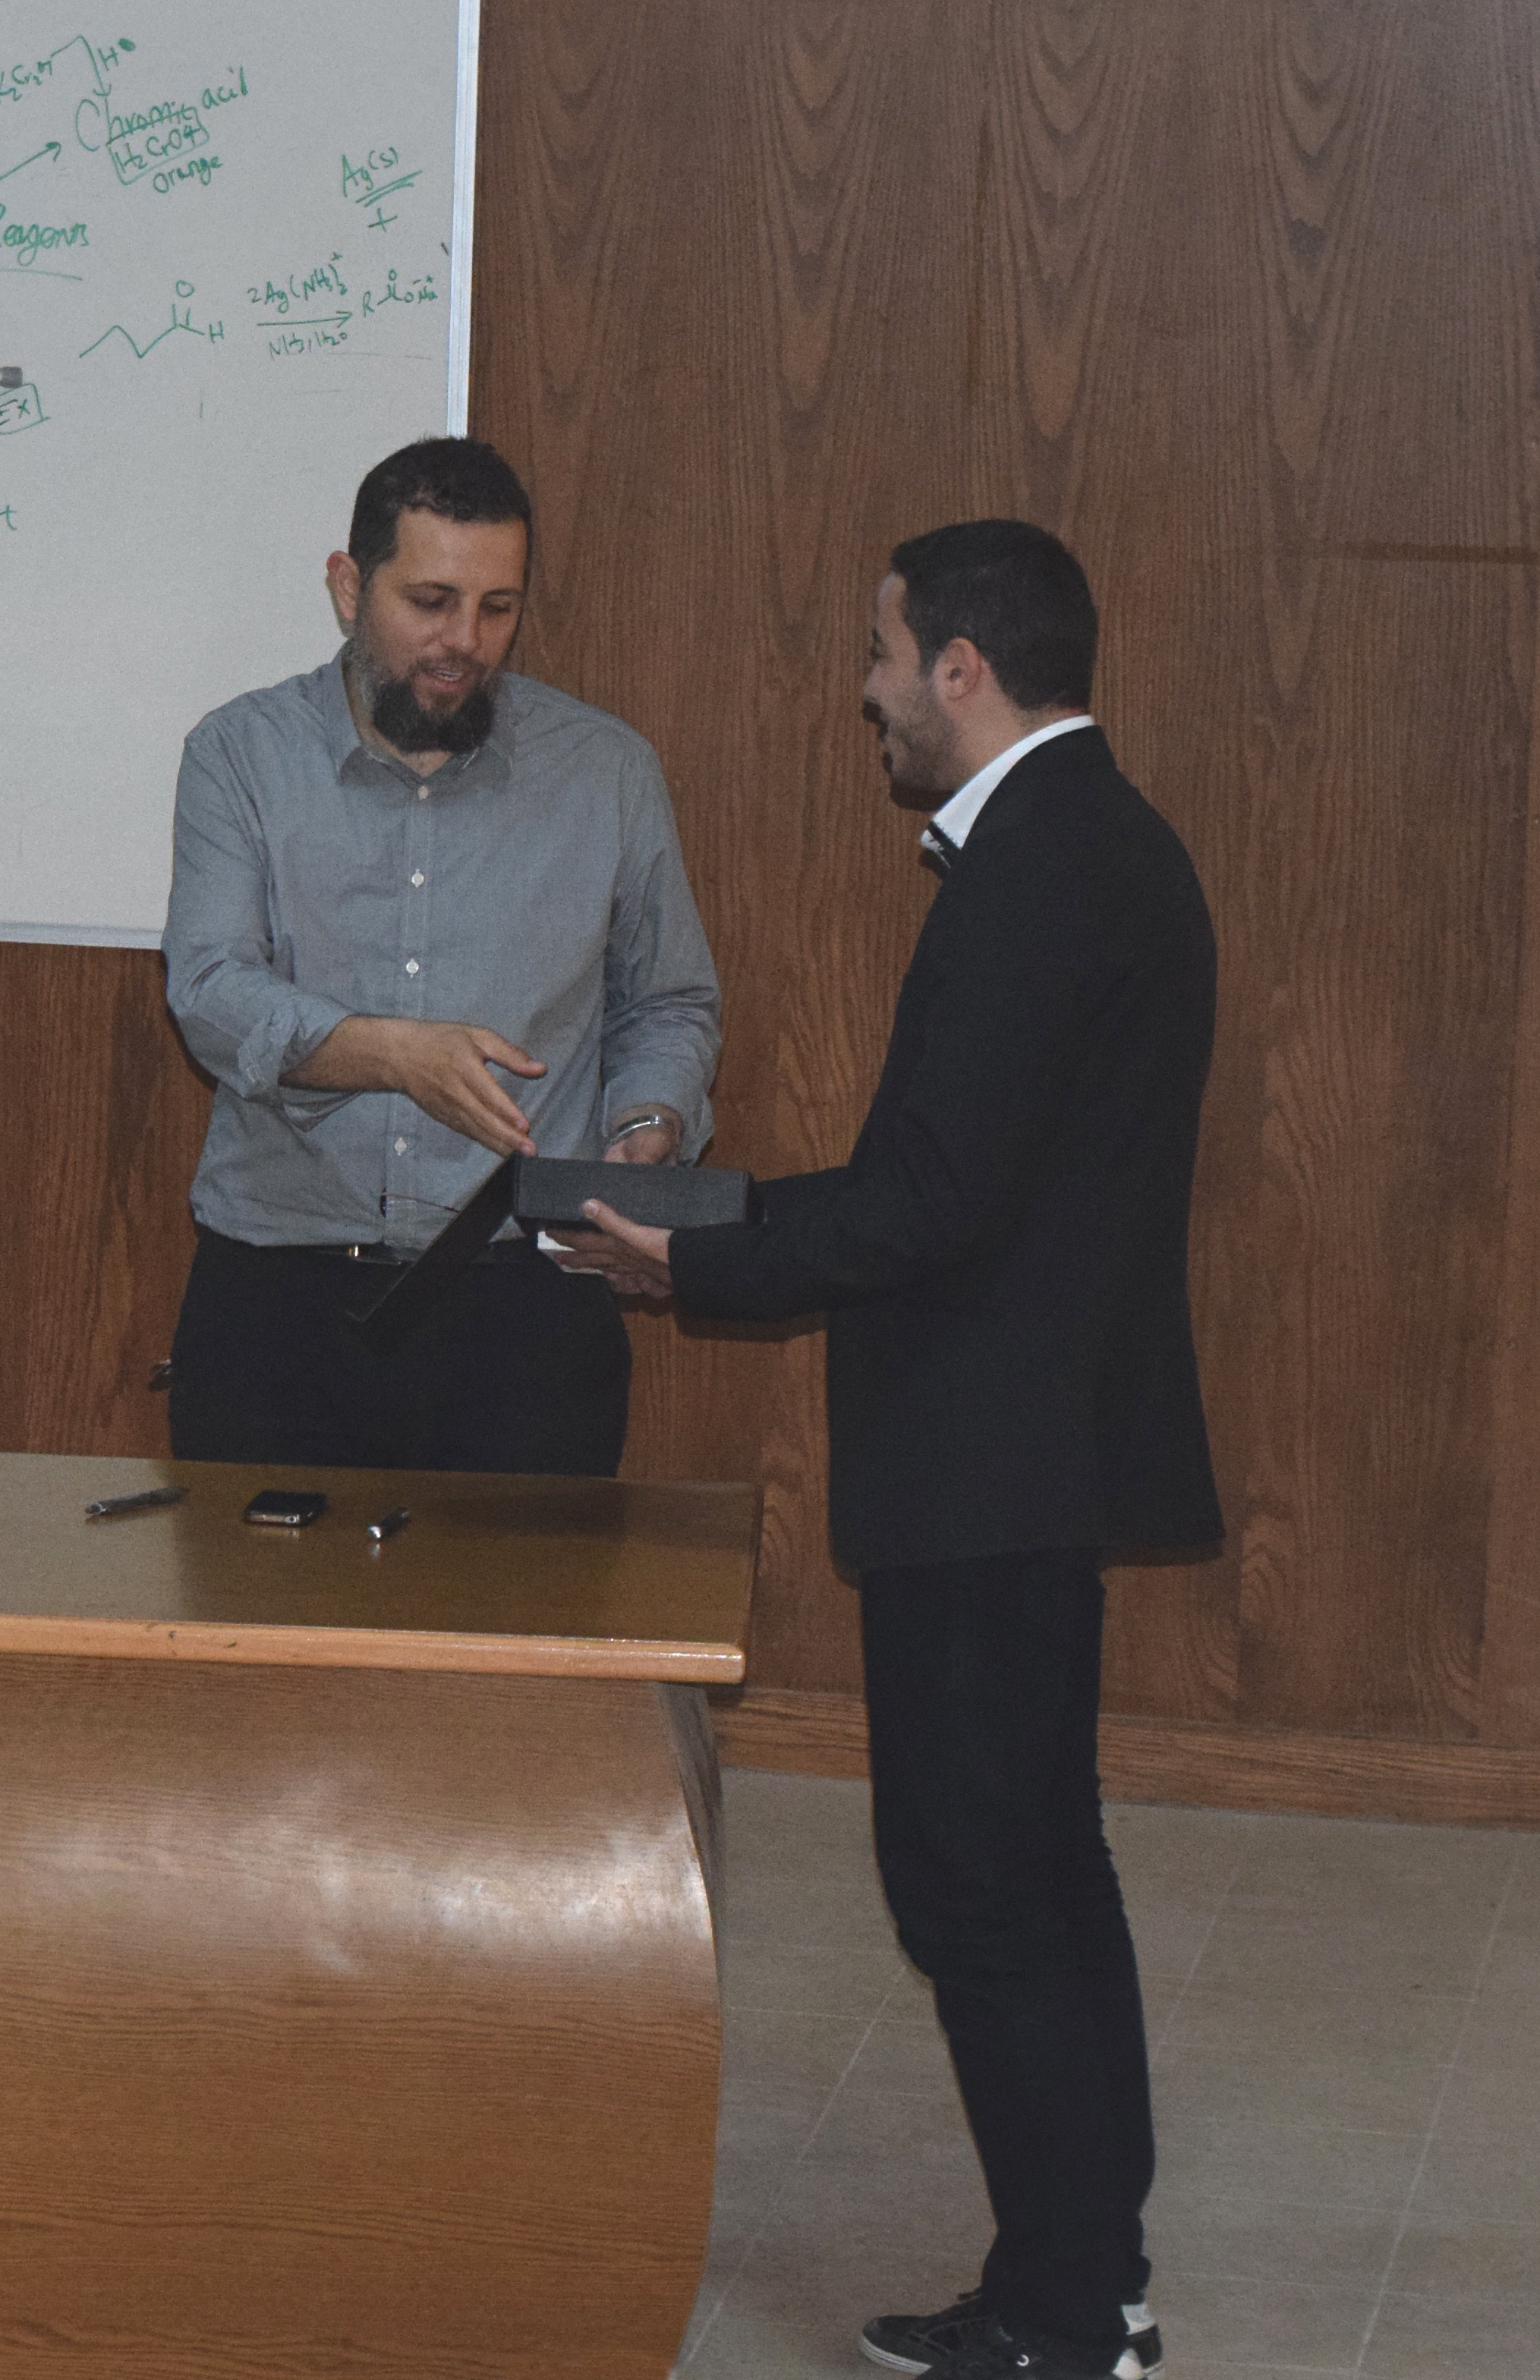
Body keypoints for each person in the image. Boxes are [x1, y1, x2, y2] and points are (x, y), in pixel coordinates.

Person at [560, 520, 1216, 2380]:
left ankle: (1066, 2314)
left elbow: (930, 1201)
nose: (866, 690)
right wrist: (726, 1222)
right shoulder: (1098, 842)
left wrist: (694, 1254)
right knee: (1039, 1870)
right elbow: (955, 1182)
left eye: (882, 652)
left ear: (961, 668)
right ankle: (1088, 2278)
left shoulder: (1043, 868)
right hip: (1022, 1454)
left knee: (982, 1885)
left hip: (989, 1466)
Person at [159, 435, 721, 1474]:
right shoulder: (240, 755)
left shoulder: (605, 771)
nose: (464, 641)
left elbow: (667, 1002)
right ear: (348, 586)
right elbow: (208, 990)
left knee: (527, 1587)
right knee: (256, 1587)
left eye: (498, 607)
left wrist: (646, 1130)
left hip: (526, 1308)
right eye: (430, 602)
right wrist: (392, 1054)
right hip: (282, 1299)